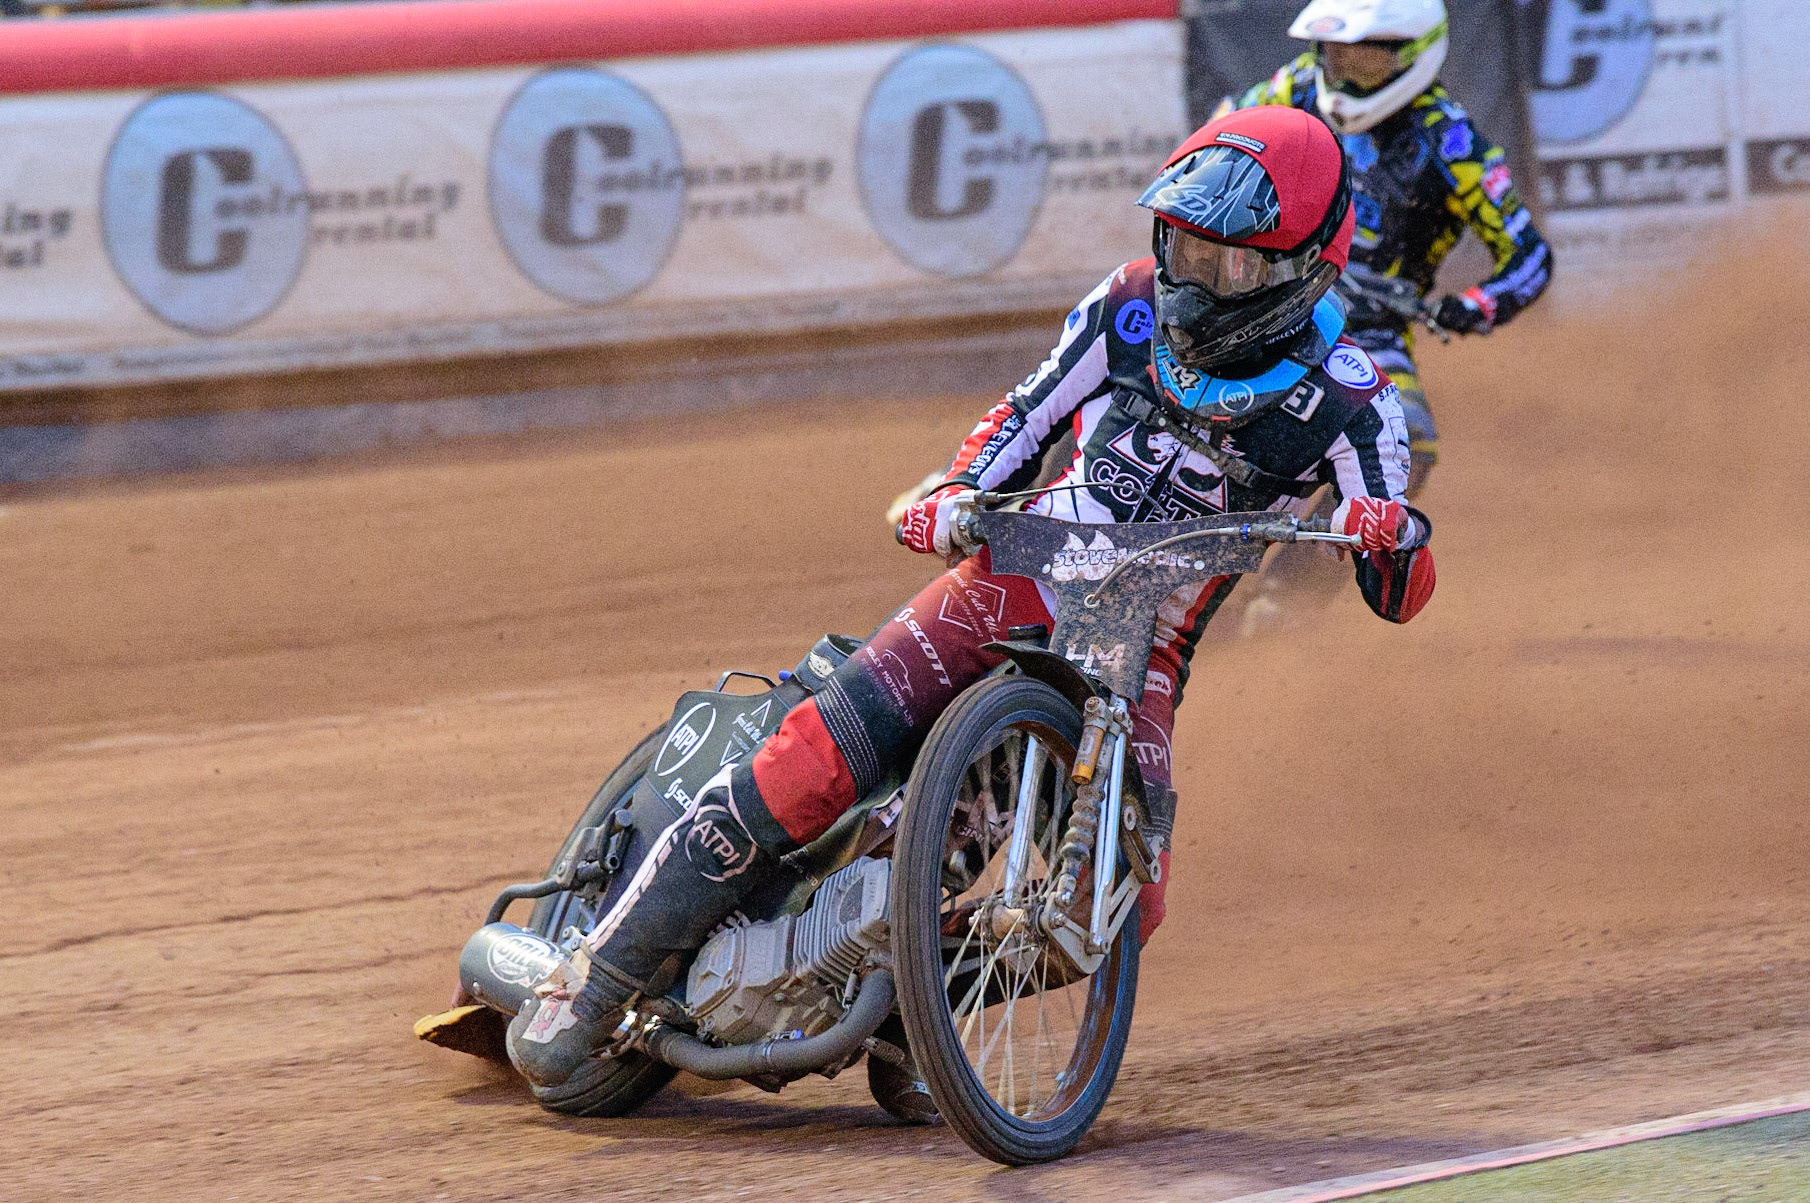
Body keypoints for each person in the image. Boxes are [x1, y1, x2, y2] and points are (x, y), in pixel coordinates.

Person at [507, 105, 1436, 1089]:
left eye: (1228, 263)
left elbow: (1397, 582)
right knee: (811, 760)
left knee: (1127, 900)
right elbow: (1023, 415)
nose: (1193, 278)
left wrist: (1390, 536)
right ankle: (594, 976)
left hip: (1147, 639)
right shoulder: (1127, 305)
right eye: (1182, 246)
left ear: (1302, 271)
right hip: (1015, 572)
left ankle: (922, 1011)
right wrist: (957, 491)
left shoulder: (1355, 400)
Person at [1219, 0, 1551, 496]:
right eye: (1337, 56)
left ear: (1415, 55)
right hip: (1263, 294)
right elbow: (1214, 144)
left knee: (1406, 445)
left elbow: (1530, 255)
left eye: (1367, 61)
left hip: (1370, 328)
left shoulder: (1449, 140)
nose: (1347, 76)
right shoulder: (1294, 88)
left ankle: (1299, 572)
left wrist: (1473, 306)